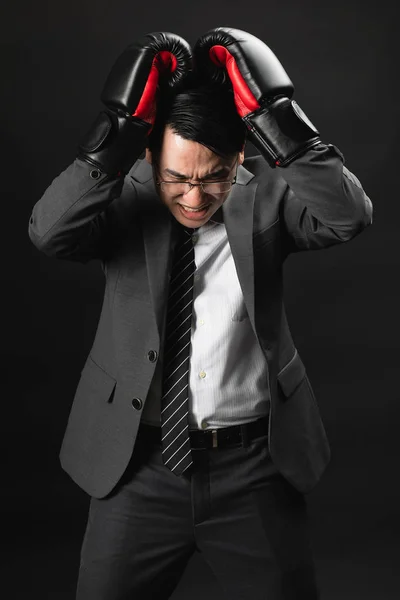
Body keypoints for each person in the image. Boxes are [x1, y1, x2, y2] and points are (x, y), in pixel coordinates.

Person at [28, 27, 373, 600]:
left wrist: (280, 120)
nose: (193, 197)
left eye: (213, 177)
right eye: (177, 178)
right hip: (138, 468)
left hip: (254, 470)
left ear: (241, 155)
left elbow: (349, 215)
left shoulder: (267, 197)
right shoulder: (123, 196)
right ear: (149, 155)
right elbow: (48, 232)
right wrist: (114, 138)